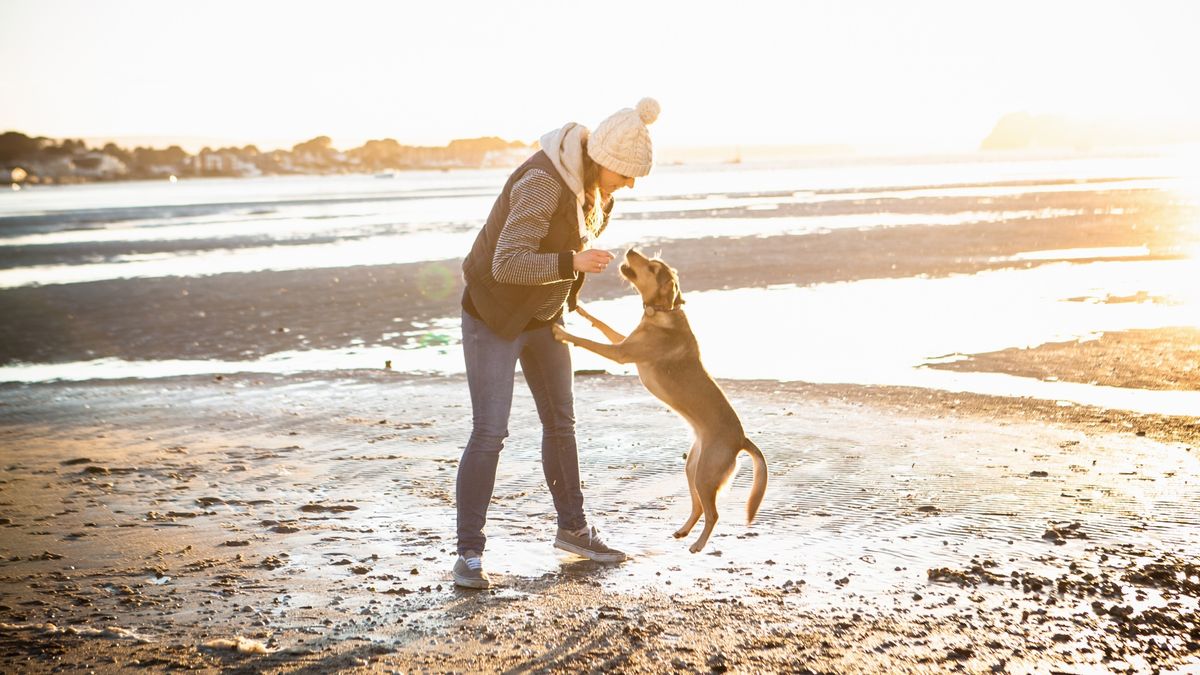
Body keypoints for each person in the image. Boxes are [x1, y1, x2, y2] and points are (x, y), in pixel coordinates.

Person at [452, 98, 660, 589]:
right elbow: (507, 262)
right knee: (490, 432)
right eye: (626, 175)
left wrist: (568, 286)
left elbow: (569, 250)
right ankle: (468, 555)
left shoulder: (594, 192)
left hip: (544, 317)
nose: (628, 186)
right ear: (602, 160)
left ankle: (574, 531)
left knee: (561, 424)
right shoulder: (542, 183)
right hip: (494, 316)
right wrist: (572, 264)